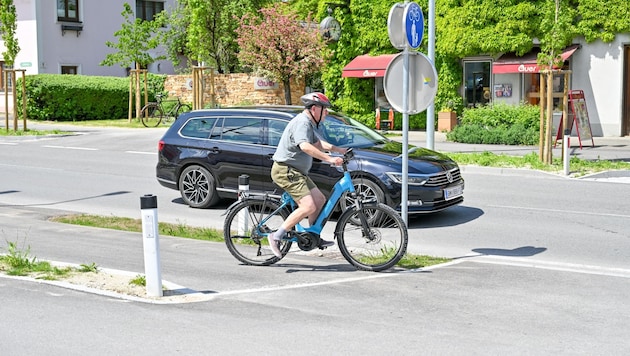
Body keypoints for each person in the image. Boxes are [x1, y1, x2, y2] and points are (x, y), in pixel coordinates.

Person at [268, 92, 347, 258]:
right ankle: (276, 236)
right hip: (286, 170)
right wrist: (330, 159)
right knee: (308, 206)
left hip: (296, 172)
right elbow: (305, 146)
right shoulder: (302, 123)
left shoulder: (309, 123)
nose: (326, 113)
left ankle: (312, 235)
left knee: (319, 200)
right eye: (324, 110)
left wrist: (338, 150)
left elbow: (317, 144)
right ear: (314, 109)